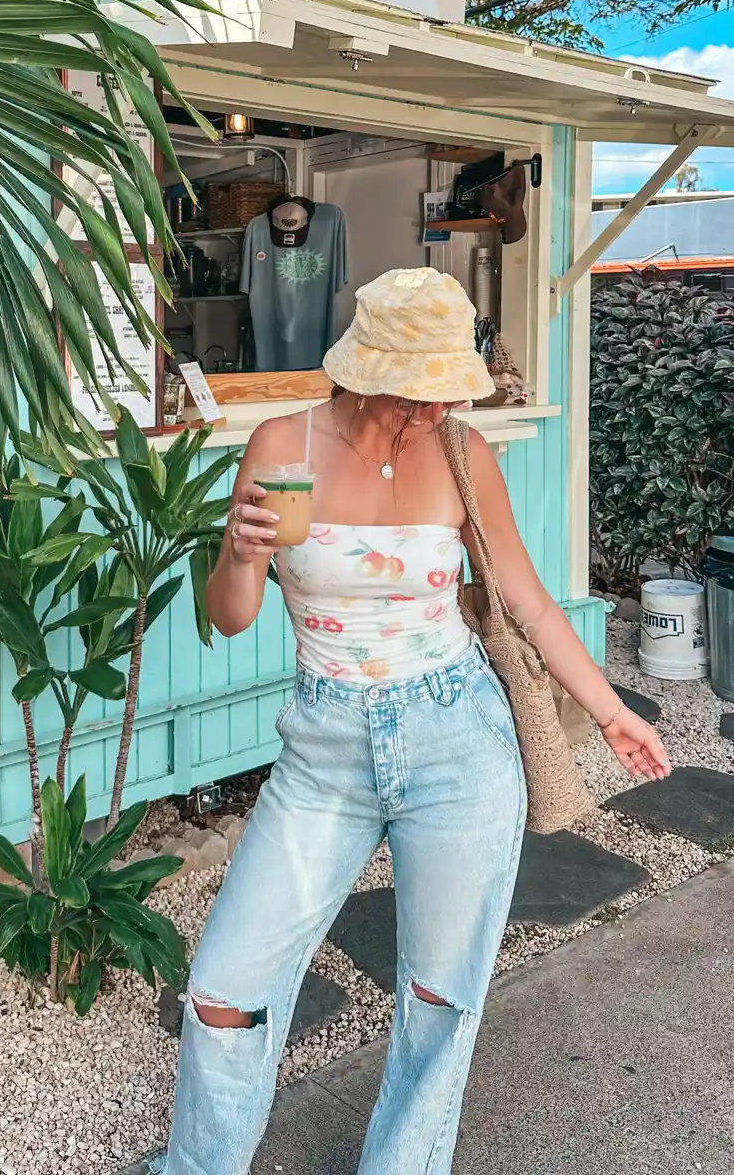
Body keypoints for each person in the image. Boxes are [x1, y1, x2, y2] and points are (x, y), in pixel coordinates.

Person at [146, 268, 670, 1175]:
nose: (434, 410)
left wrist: (613, 711)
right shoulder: (283, 442)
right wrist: (238, 549)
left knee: (438, 999)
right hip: (323, 753)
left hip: (457, 743)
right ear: (365, 372)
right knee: (225, 989)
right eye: (418, 393)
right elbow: (231, 615)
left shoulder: (465, 455)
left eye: (443, 392)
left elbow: (533, 607)